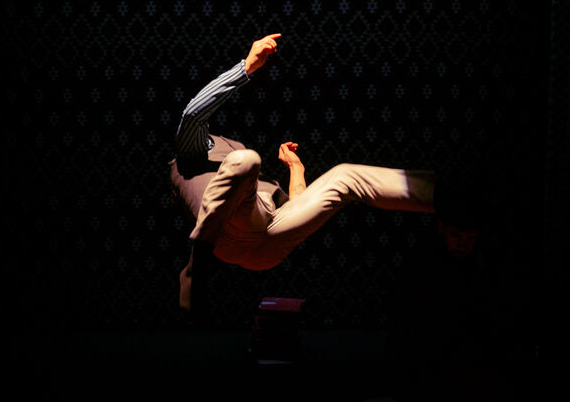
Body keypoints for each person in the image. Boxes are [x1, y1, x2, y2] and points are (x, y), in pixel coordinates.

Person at [170, 34, 435, 312]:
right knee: (245, 160)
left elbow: (298, 205)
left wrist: (296, 168)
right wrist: (247, 66)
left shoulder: (248, 170)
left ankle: (445, 196)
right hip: (227, 233)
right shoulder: (190, 153)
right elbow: (193, 115)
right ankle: (198, 263)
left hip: (270, 238)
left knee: (345, 175)